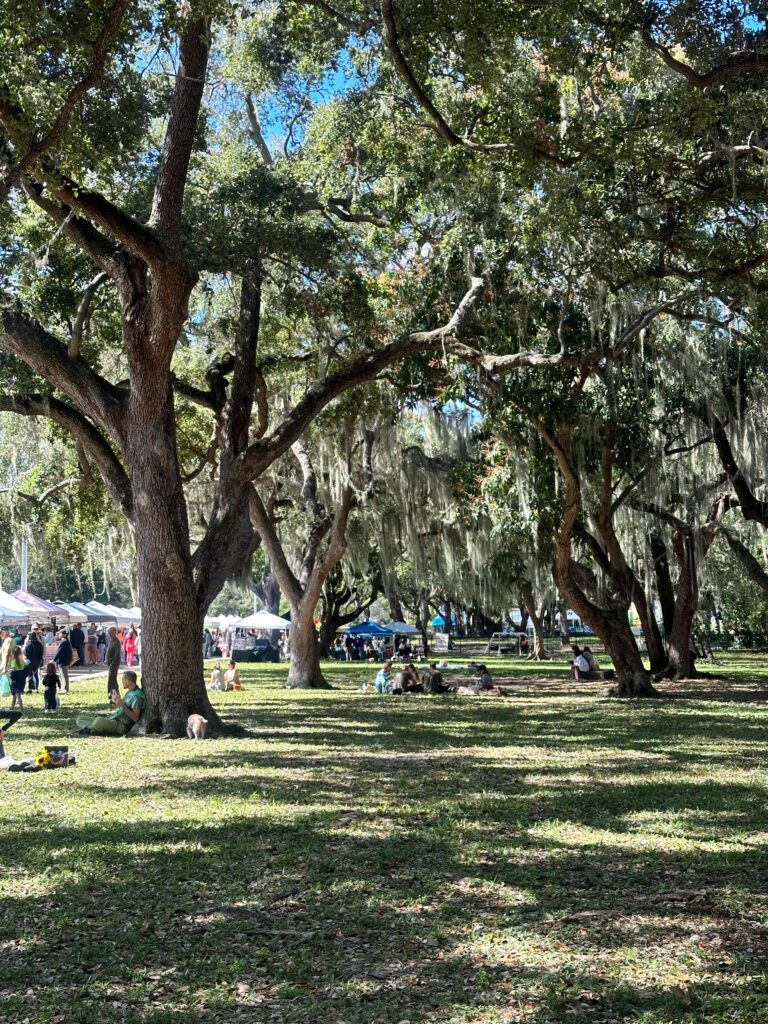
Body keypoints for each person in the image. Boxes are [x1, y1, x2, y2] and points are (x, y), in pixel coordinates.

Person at [76, 670, 145, 736]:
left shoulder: (137, 696)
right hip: (113, 719)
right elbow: (122, 708)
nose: (122, 681)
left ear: (128, 681)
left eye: (123, 679)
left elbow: (135, 718)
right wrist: (117, 702)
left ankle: (92, 729)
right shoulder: (129, 691)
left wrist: (121, 704)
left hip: (121, 726)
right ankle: (93, 728)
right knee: (80, 719)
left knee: (98, 721)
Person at [105, 626, 121, 697]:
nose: (109, 634)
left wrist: (113, 663)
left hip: (113, 664)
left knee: (112, 680)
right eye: (108, 633)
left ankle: (115, 695)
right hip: (110, 664)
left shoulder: (116, 642)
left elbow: (117, 654)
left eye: (110, 633)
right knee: (111, 680)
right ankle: (112, 694)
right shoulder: (112, 641)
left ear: (114, 633)